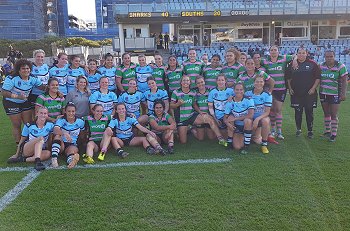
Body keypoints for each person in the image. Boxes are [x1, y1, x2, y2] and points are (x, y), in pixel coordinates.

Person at [170, 75, 227, 145]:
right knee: (183, 141)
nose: (186, 82)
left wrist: (200, 112)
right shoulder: (175, 92)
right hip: (182, 119)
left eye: (187, 80)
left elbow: (194, 104)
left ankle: (220, 138)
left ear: (190, 82)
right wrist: (177, 104)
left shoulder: (193, 92)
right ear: (181, 82)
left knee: (209, 119)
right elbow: (171, 105)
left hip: (191, 115)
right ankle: (187, 130)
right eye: (184, 80)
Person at [2, 59, 43, 144]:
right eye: (23, 69)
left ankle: (28, 142)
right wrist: (17, 96)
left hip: (24, 101)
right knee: (17, 124)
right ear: (19, 70)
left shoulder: (33, 78)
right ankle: (19, 145)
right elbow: (4, 92)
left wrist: (55, 90)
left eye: (28, 68)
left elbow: (42, 87)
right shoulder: (11, 78)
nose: (26, 70)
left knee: (28, 123)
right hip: (11, 102)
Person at [101, 103, 166, 156]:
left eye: (123, 109)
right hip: (120, 140)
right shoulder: (114, 120)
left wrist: (150, 132)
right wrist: (109, 129)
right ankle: (120, 152)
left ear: (125, 110)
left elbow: (140, 127)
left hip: (130, 139)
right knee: (113, 138)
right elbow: (109, 127)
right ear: (116, 111)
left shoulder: (130, 118)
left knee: (144, 139)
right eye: (119, 109)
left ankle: (149, 149)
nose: (121, 110)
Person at [286, 47, 321, 139]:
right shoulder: (292, 64)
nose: (301, 54)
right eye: (299, 53)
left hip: (309, 93)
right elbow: (288, 78)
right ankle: (298, 129)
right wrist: (290, 88)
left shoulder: (313, 64)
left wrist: (313, 88)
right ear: (296, 54)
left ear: (306, 53)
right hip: (296, 93)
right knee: (298, 112)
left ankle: (310, 131)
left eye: (303, 53)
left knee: (309, 112)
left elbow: (318, 78)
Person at [261, 45, 294, 140]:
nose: (273, 51)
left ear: (278, 51)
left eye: (275, 50)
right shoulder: (265, 60)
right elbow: (256, 62)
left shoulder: (283, 59)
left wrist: (295, 60)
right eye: (271, 50)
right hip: (270, 89)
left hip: (281, 89)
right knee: (271, 110)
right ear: (269, 52)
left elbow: (295, 56)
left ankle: (279, 131)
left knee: (278, 110)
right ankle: (272, 130)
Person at [319, 50, 348, 142]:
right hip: (323, 93)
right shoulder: (321, 66)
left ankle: (333, 134)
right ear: (324, 57)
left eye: (331, 56)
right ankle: (327, 131)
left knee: (333, 114)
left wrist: (343, 93)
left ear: (334, 56)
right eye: (327, 56)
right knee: (326, 113)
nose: (329, 58)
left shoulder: (340, 66)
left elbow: (344, 81)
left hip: (335, 93)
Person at [51, 103, 85, 168]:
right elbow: (55, 130)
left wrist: (81, 145)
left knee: (71, 152)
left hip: (72, 143)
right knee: (57, 136)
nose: (71, 113)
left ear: (75, 112)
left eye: (73, 111)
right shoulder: (61, 120)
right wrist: (64, 133)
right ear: (65, 111)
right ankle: (54, 159)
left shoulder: (80, 121)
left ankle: (71, 162)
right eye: (69, 111)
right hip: (61, 144)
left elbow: (82, 134)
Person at [224, 82, 254, 154]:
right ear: (234, 90)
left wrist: (235, 119)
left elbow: (251, 115)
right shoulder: (230, 102)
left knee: (247, 120)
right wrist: (228, 124)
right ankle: (230, 143)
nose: (239, 91)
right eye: (237, 89)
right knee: (237, 147)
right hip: (236, 127)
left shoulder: (249, 100)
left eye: (241, 89)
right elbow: (225, 117)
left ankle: (247, 145)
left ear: (244, 91)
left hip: (246, 126)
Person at [245, 76, 272, 154]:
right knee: (247, 120)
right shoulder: (248, 93)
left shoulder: (267, 95)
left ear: (264, 83)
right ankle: (247, 144)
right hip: (250, 117)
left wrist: (257, 119)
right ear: (254, 83)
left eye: (261, 82)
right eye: (257, 81)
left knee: (266, 120)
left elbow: (267, 112)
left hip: (260, 118)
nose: (259, 83)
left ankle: (264, 144)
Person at [208, 74, 235, 145]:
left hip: (228, 115)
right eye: (219, 80)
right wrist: (215, 118)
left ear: (225, 81)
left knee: (231, 120)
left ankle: (230, 139)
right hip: (218, 116)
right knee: (211, 137)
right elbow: (210, 107)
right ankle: (221, 138)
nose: (220, 82)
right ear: (216, 81)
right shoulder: (212, 92)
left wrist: (232, 98)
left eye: (222, 80)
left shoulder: (231, 91)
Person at [193, 76, 217, 141]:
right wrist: (199, 111)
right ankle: (193, 130)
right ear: (196, 84)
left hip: (209, 116)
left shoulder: (210, 91)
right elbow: (194, 104)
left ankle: (207, 128)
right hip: (200, 116)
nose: (200, 84)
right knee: (200, 138)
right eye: (198, 83)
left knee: (211, 138)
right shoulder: (194, 92)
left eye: (202, 82)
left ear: (204, 82)